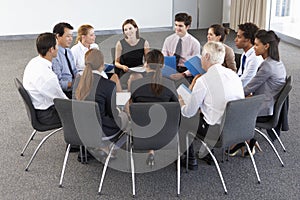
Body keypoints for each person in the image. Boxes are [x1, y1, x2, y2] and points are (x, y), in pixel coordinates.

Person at [178, 41, 244, 168]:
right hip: (237, 127)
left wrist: (181, 102)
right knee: (207, 112)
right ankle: (207, 152)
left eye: (202, 55)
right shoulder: (234, 75)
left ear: (207, 56)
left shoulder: (203, 81)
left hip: (216, 132)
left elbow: (189, 112)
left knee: (183, 118)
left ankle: (190, 159)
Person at [229, 30, 287, 156]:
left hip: (263, 110)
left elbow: (249, 88)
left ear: (266, 46)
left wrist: (229, 93)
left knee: (230, 108)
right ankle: (246, 140)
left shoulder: (267, 66)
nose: (253, 47)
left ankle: (244, 139)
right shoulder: (277, 62)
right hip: (269, 103)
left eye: (256, 45)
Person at [73, 48, 128, 160]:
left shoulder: (77, 81)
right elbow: (112, 114)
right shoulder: (108, 85)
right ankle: (108, 147)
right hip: (101, 131)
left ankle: (98, 148)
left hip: (80, 129)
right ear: (102, 65)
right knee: (126, 118)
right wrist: (121, 111)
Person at [129, 49, 178, 166]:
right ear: (163, 66)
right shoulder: (169, 84)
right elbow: (176, 108)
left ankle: (150, 150)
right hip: (166, 134)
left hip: (141, 134)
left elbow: (132, 109)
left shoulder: (136, 84)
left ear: (145, 64)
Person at [23, 32, 68, 126]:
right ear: (51, 49)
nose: (58, 48)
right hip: (46, 115)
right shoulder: (48, 77)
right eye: (57, 45)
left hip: (38, 106)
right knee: (85, 113)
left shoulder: (34, 62)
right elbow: (63, 102)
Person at [162, 12, 201, 83]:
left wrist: (183, 74)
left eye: (180, 26)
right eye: (176, 25)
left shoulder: (195, 43)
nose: (177, 28)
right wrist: (167, 71)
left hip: (185, 69)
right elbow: (164, 57)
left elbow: (195, 66)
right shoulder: (168, 40)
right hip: (170, 67)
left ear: (187, 27)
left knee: (183, 87)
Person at [114, 19, 150, 88]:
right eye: (125, 30)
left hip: (139, 69)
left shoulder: (144, 42)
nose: (128, 31)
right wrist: (122, 66)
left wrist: (145, 65)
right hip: (125, 70)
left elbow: (148, 60)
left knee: (137, 76)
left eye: (130, 28)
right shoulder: (120, 44)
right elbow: (116, 62)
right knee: (135, 77)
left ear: (136, 28)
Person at [52, 22, 77, 99]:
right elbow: (58, 84)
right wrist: (73, 84)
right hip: (66, 93)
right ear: (58, 36)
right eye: (68, 36)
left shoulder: (68, 51)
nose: (71, 39)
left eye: (71, 36)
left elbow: (74, 70)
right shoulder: (54, 56)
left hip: (75, 88)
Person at [235, 22, 263, 87]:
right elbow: (240, 74)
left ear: (248, 40)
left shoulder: (254, 58)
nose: (235, 40)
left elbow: (245, 81)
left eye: (239, 37)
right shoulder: (245, 54)